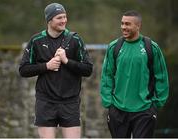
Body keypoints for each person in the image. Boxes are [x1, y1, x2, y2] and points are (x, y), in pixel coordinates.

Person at [19, 3, 93, 138]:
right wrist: (46, 66)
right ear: (49, 20)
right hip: (45, 102)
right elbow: (23, 70)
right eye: (59, 17)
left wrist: (66, 61)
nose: (64, 20)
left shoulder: (75, 40)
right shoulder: (36, 40)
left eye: (65, 17)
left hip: (70, 102)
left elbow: (88, 69)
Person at [100, 10, 169, 138]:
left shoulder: (151, 48)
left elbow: (162, 76)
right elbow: (107, 76)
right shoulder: (114, 47)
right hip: (118, 110)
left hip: (144, 110)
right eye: (122, 23)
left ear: (138, 26)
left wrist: (156, 103)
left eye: (127, 24)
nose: (123, 27)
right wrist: (108, 102)